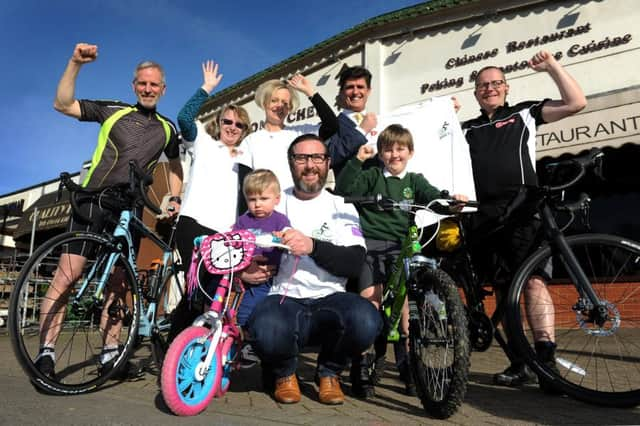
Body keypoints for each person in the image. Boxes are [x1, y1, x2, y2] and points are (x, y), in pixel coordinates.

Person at [36, 43, 183, 379]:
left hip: (129, 210)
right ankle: (46, 353)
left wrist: (173, 198)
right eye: (142, 83)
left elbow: (175, 167)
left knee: (119, 284)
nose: (148, 89)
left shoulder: (167, 128)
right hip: (91, 201)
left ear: (163, 89)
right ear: (134, 86)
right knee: (67, 276)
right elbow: (62, 104)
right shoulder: (113, 111)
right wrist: (75, 63)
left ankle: (110, 355)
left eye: (154, 85)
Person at [462, 50, 586, 390]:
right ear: (475, 93)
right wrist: (443, 119)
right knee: (503, 293)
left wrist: (552, 68)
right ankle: (519, 362)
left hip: (524, 211)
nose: (489, 88)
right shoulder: (466, 129)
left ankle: (546, 363)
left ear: (506, 87)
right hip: (484, 217)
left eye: (495, 83)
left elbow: (576, 103)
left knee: (533, 283)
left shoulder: (523, 113)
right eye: (482, 85)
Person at [246, 134, 382, 405]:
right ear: (291, 163)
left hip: (330, 298)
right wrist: (245, 270)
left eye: (317, 157)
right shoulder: (272, 202)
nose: (310, 165)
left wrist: (312, 246)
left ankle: (329, 372)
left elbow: (355, 262)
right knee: (264, 327)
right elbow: (242, 242)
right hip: (283, 297)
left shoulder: (341, 206)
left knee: (367, 320)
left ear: (328, 163)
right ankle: (284, 373)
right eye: (301, 158)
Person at [335, 124, 467, 397]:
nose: (394, 154)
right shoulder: (372, 175)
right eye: (388, 149)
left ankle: (409, 367)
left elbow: (434, 197)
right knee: (370, 298)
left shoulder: (414, 181)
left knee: (405, 306)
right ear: (381, 153)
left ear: (410, 152)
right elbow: (343, 188)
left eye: (400, 149)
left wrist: (451, 201)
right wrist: (357, 160)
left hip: (399, 245)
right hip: (369, 244)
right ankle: (362, 364)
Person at [168, 60, 253, 341]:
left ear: (245, 129)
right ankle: (176, 347)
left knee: (215, 296)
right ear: (218, 123)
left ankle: (197, 351)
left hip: (226, 234)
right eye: (227, 121)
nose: (232, 127)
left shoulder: (246, 157)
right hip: (194, 223)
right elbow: (183, 118)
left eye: (238, 124)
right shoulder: (203, 141)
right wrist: (206, 88)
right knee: (198, 291)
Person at [240, 75, 338, 190]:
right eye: (274, 100)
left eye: (285, 103)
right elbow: (243, 182)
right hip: (265, 205)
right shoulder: (250, 141)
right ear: (264, 103)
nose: (280, 106)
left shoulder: (300, 133)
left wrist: (310, 92)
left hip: (297, 201)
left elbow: (332, 125)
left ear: (290, 108)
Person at [232, 169, 290, 329]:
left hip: (270, 277)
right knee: (243, 313)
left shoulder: (279, 220)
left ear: (276, 199)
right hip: (246, 272)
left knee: (260, 312)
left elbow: (288, 237)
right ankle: (246, 341)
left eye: (264, 198)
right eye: (252, 199)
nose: (257, 204)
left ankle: (254, 339)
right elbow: (234, 242)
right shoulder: (243, 221)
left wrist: (281, 236)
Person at [324, 65, 378, 177]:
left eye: (360, 86)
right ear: (342, 92)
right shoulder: (331, 125)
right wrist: (362, 130)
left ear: (368, 91)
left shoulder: (379, 121)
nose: (355, 92)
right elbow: (329, 158)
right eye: (350, 87)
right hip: (349, 192)